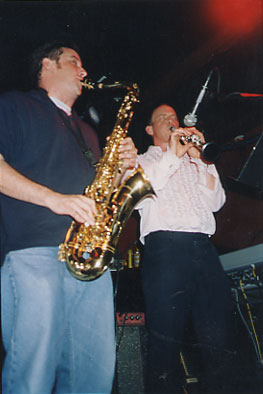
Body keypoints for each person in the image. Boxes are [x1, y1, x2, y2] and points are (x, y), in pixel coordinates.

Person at [0, 40, 137, 394]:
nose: (84, 71)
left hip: (88, 260)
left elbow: (99, 196)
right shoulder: (14, 104)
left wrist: (121, 170)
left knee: (93, 377)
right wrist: (54, 200)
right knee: (34, 373)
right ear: (46, 65)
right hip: (35, 252)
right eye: (74, 61)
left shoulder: (87, 131)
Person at [136, 104, 233, 394]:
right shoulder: (141, 161)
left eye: (174, 118)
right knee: (165, 344)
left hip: (203, 248)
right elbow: (142, 195)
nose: (172, 121)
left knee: (217, 341)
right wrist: (174, 155)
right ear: (150, 129)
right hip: (165, 249)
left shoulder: (195, 162)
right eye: (164, 118)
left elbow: (216, 203)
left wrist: (202, 160)